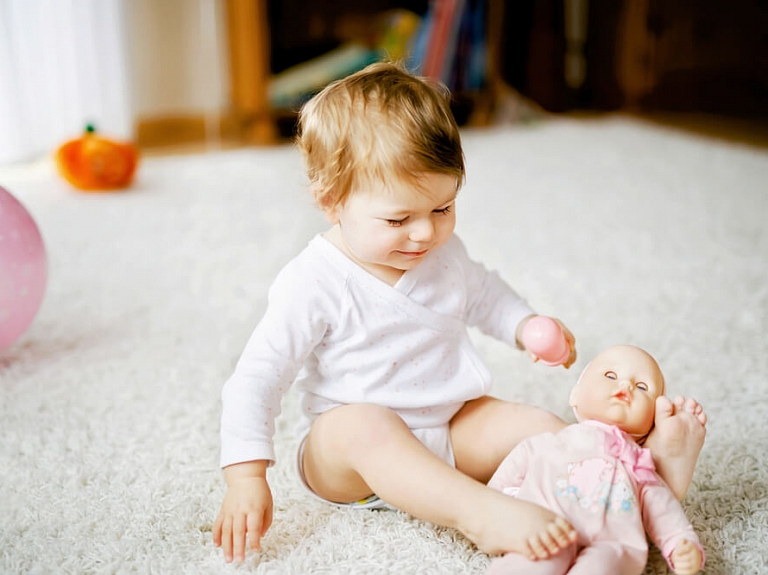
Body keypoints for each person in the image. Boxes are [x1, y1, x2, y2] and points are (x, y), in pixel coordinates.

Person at [212, 62, 707, 565]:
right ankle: (481, 512)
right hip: (349, 464)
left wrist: (525, 326)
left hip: (447, 430)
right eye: (399, 218)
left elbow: (483, 294)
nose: (425, 234)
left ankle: (636, 480)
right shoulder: (313, 281)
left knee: (535, 423)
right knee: (360, 425)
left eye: (443, 209)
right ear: (331, 202)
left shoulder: (440, 255)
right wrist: (246, 475)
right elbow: (257, 377)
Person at [486, 345, 706, 575]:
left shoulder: (638, 464)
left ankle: (670, 450)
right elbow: (507, 476)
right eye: (610, 375)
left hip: (613, 543)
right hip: (549, 523)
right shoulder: (551, 442)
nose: (625, 385)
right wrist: (496, 509)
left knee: (603, 567)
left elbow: (661, 506)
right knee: (533, 562)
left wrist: (680, 541)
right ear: (575, 395)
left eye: (642, 387)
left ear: (651, 423)